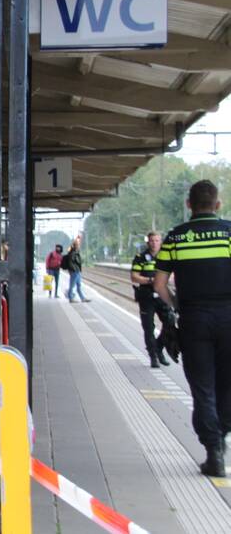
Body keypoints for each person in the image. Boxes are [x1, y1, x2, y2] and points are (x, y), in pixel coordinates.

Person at [155, 180, 231, 478]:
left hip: (194, 320)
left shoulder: (175, 237)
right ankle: (220, 438)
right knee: (227, 386)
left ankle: (213, 450)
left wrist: (177, 304)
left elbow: (160, 285)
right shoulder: (228, 233)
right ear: (218, 204)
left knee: (203, 389)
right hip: (229, 318)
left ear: (189, 204)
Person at [130, 232, 175, 368]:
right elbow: (134, 276)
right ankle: (153, 357)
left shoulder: (166, 256)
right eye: (152, 240)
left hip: (162, 295)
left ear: (160, 242)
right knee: (148, 328)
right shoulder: (140, 257)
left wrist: (162, 281)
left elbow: (172, 275)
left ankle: (159, 347)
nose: (154, 243)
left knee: (170, 323)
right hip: (146, 297)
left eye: (157, 240)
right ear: (148, 242)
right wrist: (151, 280)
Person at [65, 236, 90, 303]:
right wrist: (71, 270)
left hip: (77, 271)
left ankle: (82, 298)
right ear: (76, 245)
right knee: (72, 286)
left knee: (78, 285)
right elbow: (70, 263)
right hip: (74, 271)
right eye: (78, 244)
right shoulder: (72, 252)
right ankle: (70, 298)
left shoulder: (76, 251)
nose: (79, 245)